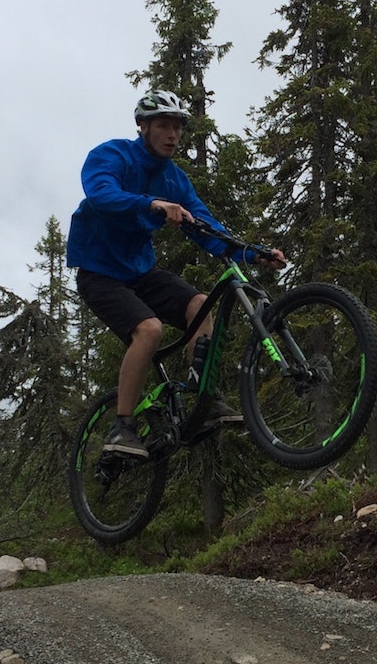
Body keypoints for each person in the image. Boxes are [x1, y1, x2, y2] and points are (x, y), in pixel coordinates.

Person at [66, 88, 286, 458]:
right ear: (143, 127)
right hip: (98, 273)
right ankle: (122, 428)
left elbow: (205, 226)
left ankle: (203, 400)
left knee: (200, 305)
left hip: (140, 272)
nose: (172, 135)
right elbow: (100, 194)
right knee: (149, 329)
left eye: (178, 128)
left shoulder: (174, 179)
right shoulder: (111, 155)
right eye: (164, 126)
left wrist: (252, 253)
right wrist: (151, 203)